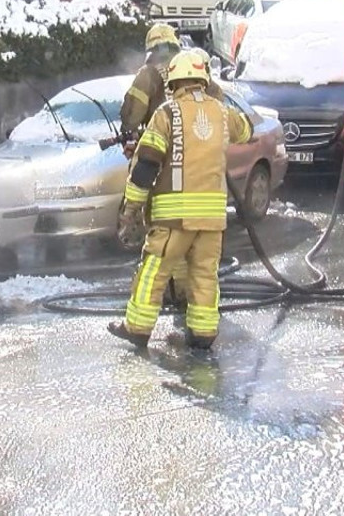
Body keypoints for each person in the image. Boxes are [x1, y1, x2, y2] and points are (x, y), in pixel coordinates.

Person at [108, 50, 255, 349]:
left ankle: (137, 328)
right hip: (212, 219)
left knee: (154, 270)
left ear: (173, 82)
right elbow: (248, 128)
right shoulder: (222, 113)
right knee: (204, 274)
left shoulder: (166, 114)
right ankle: (202, 334)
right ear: (204, 79)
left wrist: (132, 206)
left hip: (174, 217)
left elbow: (146, 164)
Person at [119, 23, 222, 155]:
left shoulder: (148, 74)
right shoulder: (194, 70)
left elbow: (132, 115)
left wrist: (127, 132)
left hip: (166, 151)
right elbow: (219, 103)